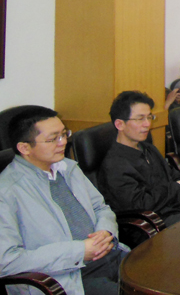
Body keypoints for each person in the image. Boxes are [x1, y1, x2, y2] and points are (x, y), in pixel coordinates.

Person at [0, 106, 127, 295]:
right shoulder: (7, 191)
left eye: (64, 134)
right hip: (63, 279)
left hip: (105, 256)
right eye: (53, 139)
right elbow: (7, 261)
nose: (63, 143)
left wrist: (105, 231)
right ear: (25, 148)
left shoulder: (67, 168)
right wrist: (78, 252)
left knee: (159, 276)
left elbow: (100, 208)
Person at [99, 91, 180, 227]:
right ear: (120, 124)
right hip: (155, 222)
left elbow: (173, 174)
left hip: (176, 206)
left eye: (149, 117)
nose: (147, 124)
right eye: (140, 119)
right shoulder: (114, 165)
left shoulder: (147, 148)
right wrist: (178, 188)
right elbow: (141, 204)